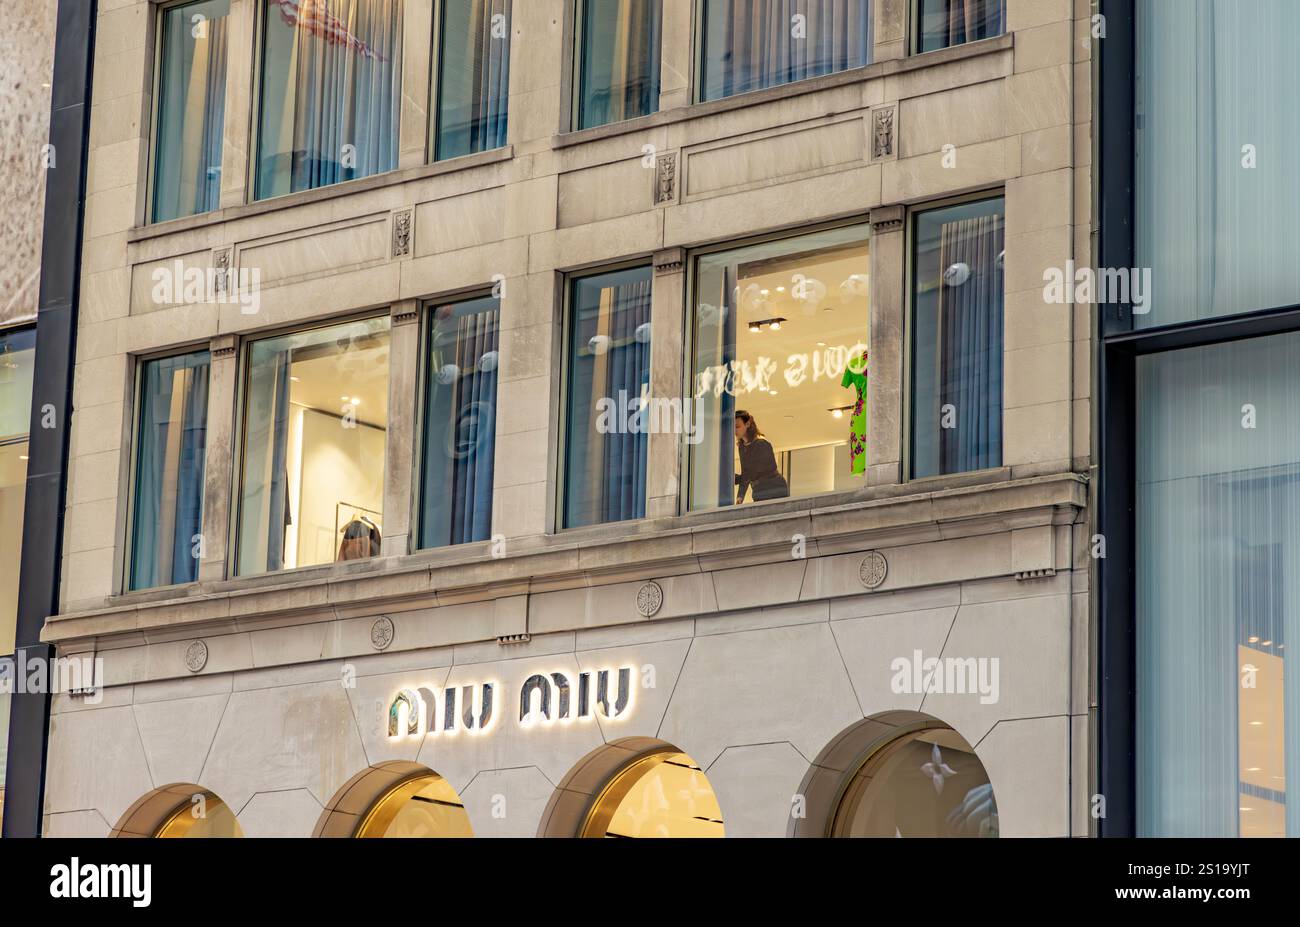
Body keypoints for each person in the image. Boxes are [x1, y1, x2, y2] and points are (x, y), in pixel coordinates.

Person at [734, 410, 789, 504]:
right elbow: (747, 472)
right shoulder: (742, 447)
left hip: (774, 488)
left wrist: (739, 479)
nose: (735, 430)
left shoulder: (762, 444)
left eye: (737, 427)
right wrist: (740, 496)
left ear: (747, 424)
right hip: (758, 491)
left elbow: (758, 471)